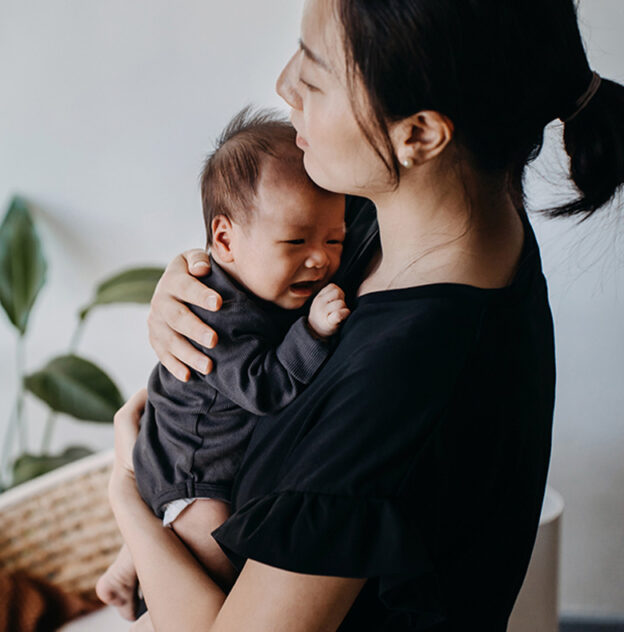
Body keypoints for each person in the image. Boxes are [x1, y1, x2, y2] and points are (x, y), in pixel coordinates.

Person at [107, 0, 624, 630]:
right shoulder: (411, 222)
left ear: (420, 134)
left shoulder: (400, 378)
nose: (284, 84)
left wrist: (127, 496)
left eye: (316, 72)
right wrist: (195, 281)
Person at [96, 108, 349, 620]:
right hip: (193, 468)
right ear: (226, 240)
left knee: (171, 530)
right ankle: (144, 585)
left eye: (335, 239)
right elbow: (262, 387)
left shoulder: (262, 281)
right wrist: (313, 331)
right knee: (209, 556)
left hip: (183, 453)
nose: (320, 259)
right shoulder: (219, 315)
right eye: (296, 242)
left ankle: (126, 570)